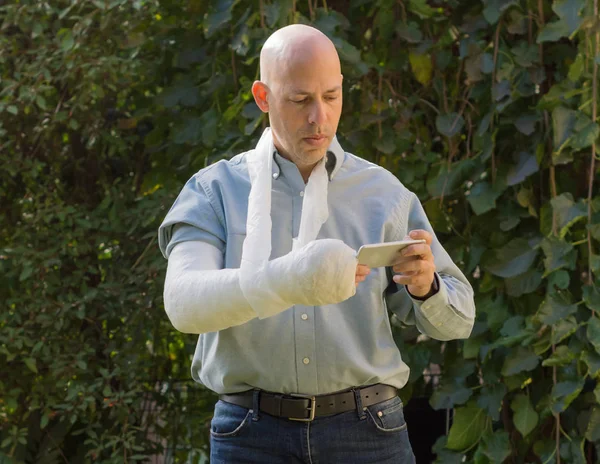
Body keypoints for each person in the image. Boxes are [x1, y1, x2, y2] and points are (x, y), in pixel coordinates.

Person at [158, 24, 475, 464]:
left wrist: (427, 287)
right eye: (300, 99)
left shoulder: (384, 195)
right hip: (250, 436)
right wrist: (288, 280)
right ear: (263, 97)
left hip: (369, 433)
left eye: (331, 97)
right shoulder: (214, 191)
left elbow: (459, 321)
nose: (319, 118)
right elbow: (183, 303)